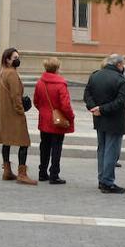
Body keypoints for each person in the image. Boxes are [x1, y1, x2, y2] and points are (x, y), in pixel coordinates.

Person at [83, 54, 125, 194]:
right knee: (111, 151)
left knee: (102, 149)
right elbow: (121, 102)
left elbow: (87, 94)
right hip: (114, 120)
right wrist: (102, 109)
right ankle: (107, 182)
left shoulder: (95, 75)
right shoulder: (121, 80)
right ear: (119, 65)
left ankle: (102, 179)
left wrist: (94, 108)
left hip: (99, 119)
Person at [0, 47, 36, 185]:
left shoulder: (2, 73)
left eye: (18, 57)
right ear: (7, 60)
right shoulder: (12, 74)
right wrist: (21, 111)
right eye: (15, 58)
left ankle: (7, 171)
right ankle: (22, 174)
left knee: (6, 141)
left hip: (5, 113)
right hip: (14, 113)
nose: (18, 60)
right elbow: (15, 96)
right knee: (24, 142)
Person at [32, 56, 73, 184]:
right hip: (57, 121)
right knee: (56, 147)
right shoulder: (61, 84)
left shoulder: (40, 83)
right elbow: (65, 105)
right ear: (57, 68)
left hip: (44, 120)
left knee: (44, 146)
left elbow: (36, 102)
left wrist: (44, 111)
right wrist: (71, 116)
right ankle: (54, 174)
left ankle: (42, 172)